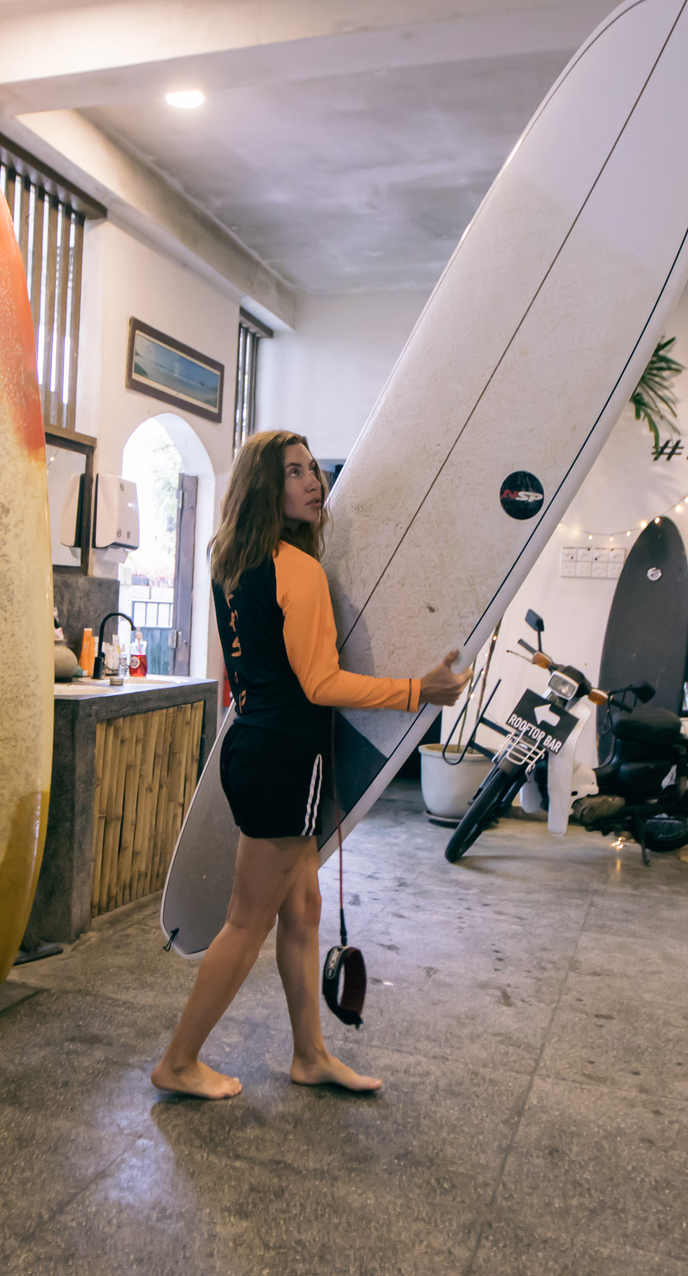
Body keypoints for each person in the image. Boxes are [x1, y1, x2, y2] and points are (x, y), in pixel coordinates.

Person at [151, 431, 470, 1099]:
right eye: (294, 472)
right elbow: (322, 683)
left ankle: (311, 1054)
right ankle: (178, 1060)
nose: (314, 482)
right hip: (287, 756)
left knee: (303, 907)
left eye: (314, 470)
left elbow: (237, 674)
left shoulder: (227, 564)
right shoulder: (297, 570)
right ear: (268, 486)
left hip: (250, 744)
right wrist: (421, 691)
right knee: (247, 920)